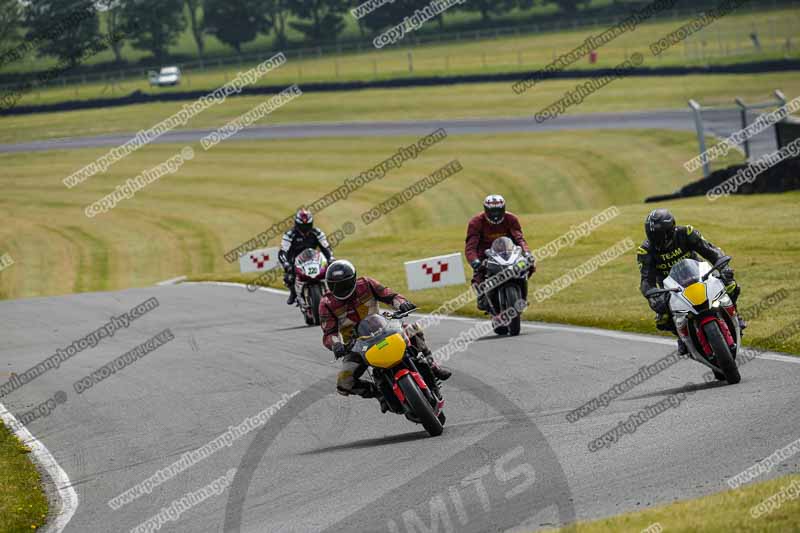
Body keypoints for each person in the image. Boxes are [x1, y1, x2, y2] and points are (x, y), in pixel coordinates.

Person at [319, 260, 451, 407]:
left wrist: (402, 303)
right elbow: (328, 333)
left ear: (353, 279)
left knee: (414, 329)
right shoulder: (326, 303)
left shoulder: (366, 283)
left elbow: (390, 295)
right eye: (335, 285)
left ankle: (433, 366)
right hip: (356, 345)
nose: (341, 289)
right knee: (344, 383)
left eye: (344, 284)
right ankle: (379, 394)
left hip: (384, 329)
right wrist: (336, 345)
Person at [637, 208, 744, 355]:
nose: (656, 240)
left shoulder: (686, 233)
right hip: (672, 287)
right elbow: (646, 279)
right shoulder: (645, 250)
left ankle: (735, 315)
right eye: (652, 235)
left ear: (670, 229)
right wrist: (652, 295)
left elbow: (711, 251)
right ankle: (682, 338)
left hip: (699, 274)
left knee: (731, 285)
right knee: (663, 318)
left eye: (659, 235)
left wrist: (723, 267)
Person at [465, 194, 535, 311]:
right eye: (492, 211)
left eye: (498, 211)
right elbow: (470, 246)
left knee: (528, 266)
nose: (496, 215)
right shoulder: (476, 222)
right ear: (486, 210)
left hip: (509, 253)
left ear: (503, 209)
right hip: (485, 256)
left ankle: (522, 297)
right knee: (479, 278)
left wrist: (526, 252)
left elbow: (519, 238)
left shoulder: (511, 219)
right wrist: (474, 260)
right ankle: (485, 299)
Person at [279, 209, 334, 305]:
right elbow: (283, 251)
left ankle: (331, 292)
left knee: (330, 270)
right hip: (295, 261)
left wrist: (330, 258)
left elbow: (326, 247)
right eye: (303, 226)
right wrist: (286, 263)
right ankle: (293, 293)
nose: (305, 228)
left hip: (313, 259)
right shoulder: (289, 235)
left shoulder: (317, 232)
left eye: (307, 225)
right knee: (289, 277)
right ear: (297, 224)